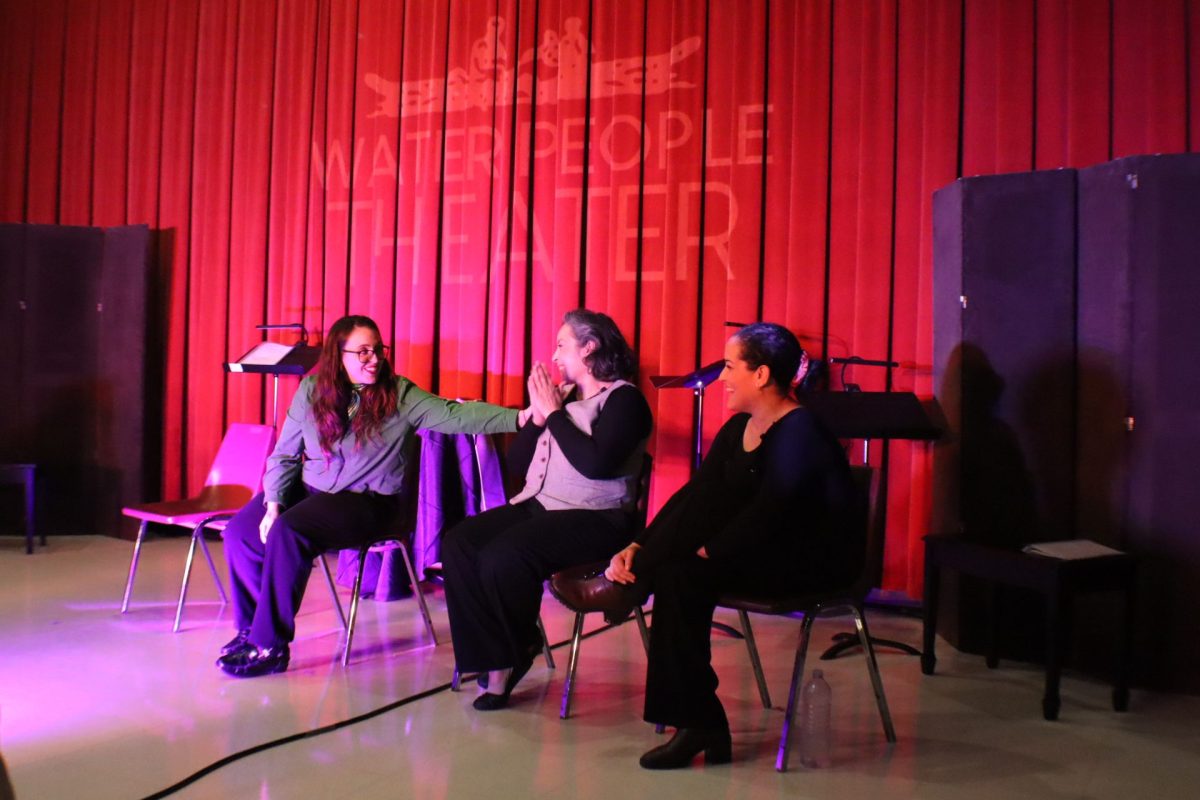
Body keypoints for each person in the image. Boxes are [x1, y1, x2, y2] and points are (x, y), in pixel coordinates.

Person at [604, 322, 857, 769]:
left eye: (729, 366)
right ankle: (699, 720)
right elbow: (694, 496)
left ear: (761, 375)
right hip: (761, 551)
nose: (720, 377)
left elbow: (773, 512)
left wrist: (709, 551)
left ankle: (697, 720)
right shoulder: (740, 426)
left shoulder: (801, 431)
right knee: (676, 571)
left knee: (683, 572)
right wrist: (640, 544)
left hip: (808, 562)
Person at [217, 315, 527, 678]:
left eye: (378, 349)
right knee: (241, 532)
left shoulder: (400, 393)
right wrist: (272, 506)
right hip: (311, 489)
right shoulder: (311, 390)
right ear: (339, 354)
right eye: (363, 351)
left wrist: (519, 418)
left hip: (367, 502)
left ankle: (269, 645)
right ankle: (251, 630)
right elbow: (285, 454)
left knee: (290, 529)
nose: (374, 358)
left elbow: (454, 415)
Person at [441, 309, 652, 710]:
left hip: (599, 519)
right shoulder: (563, 398)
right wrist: (538, 418)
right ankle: (491, 655)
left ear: (589, 348)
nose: (554, 357)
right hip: (540, 505)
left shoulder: (625, 400)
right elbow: (517, 466)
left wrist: (554, 414)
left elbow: (597, 464)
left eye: (562, 345)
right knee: (460, 543)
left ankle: (513, 654)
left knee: (507, 554)